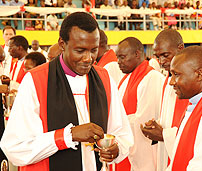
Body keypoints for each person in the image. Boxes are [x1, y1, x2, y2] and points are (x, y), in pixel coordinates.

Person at [0, 12, 134, 171]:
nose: (88, 58)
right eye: (80, 50)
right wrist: (67, 136)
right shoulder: (35, 80)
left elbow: (122, 134)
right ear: (62, 44)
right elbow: (14, 147)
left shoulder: (104, 78)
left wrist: (116, 149)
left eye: (93, 50)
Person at [116, 37, 164, 171]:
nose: (118, 62)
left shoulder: (152, 78)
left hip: (144, 151)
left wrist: (115, 123)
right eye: (117, 58)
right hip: (125, 144)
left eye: (122, 57)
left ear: (137, 54)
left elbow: (144, 121)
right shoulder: (125, 78)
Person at [141, 29, 186, 171]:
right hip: (166, 152)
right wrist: (157, 125)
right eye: (157, 56)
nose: (161, 61)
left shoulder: (191, 81)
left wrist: (164, 134)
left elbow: (195, 128)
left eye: (165, 55)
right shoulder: (168, 79)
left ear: (180, 48)